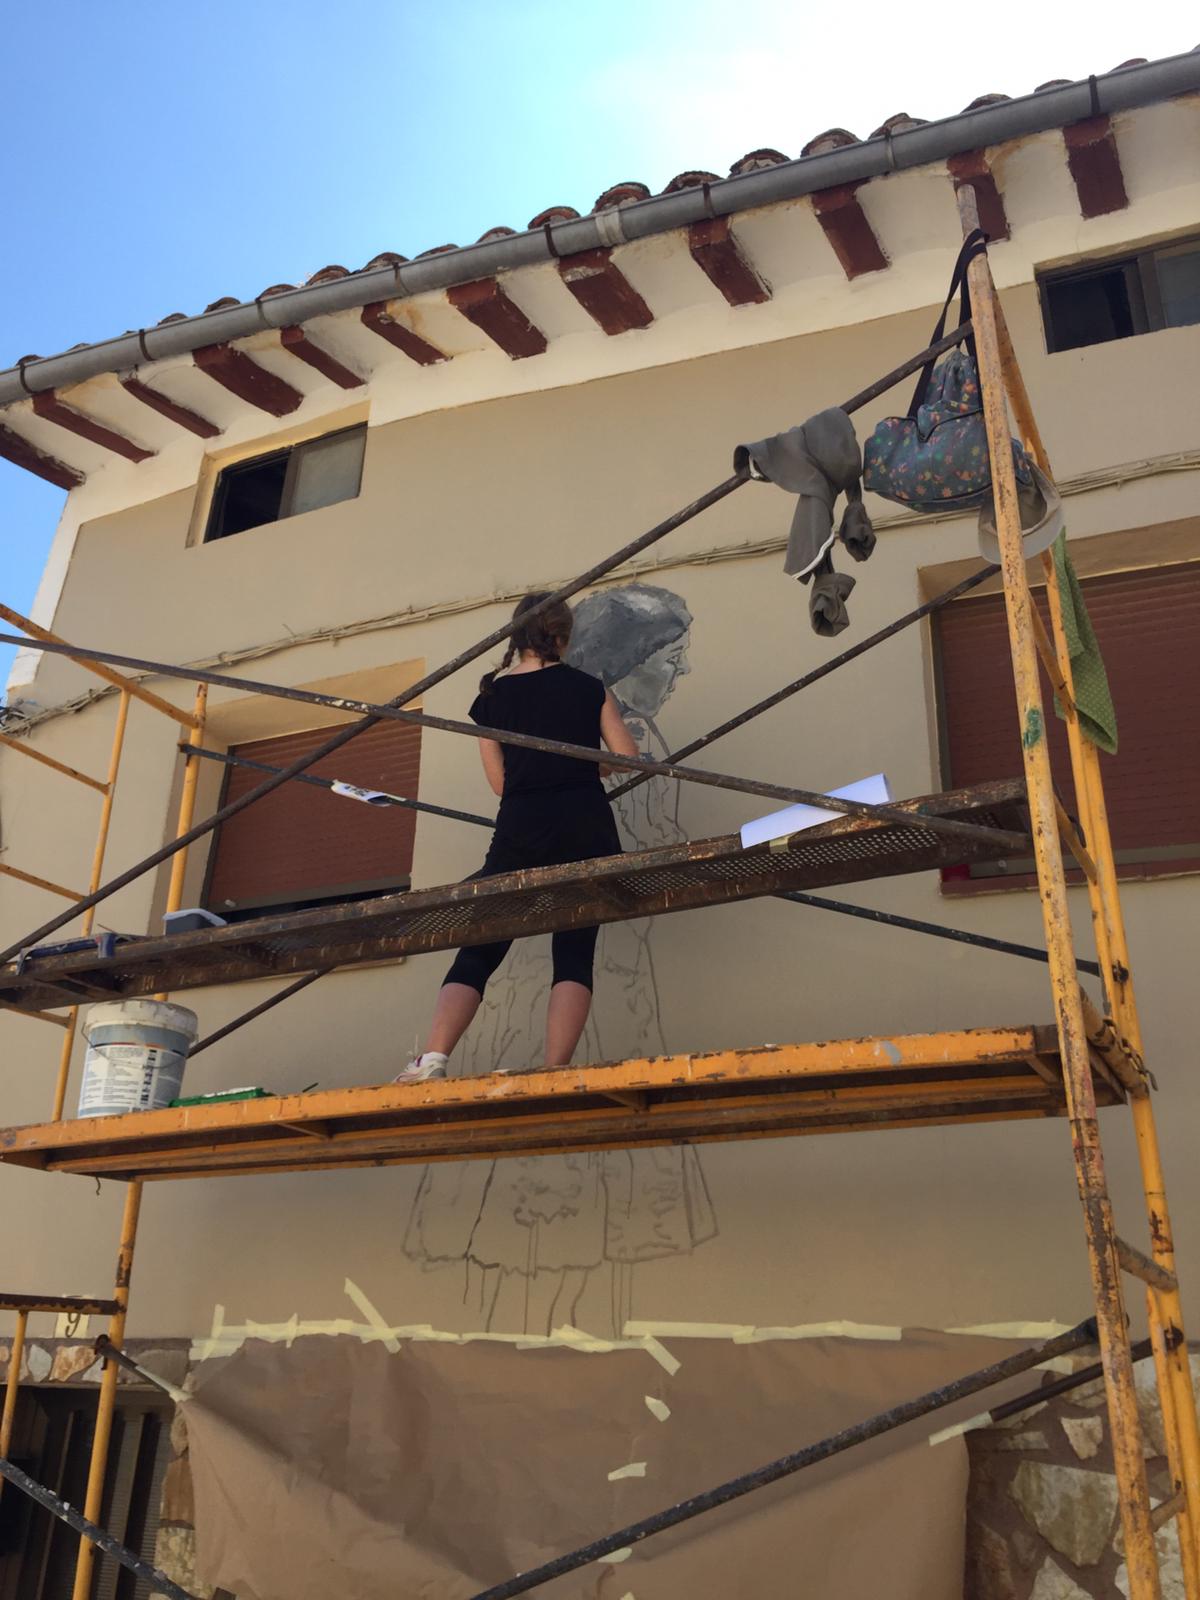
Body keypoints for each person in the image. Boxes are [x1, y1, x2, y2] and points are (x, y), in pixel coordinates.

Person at [395, 591, 638, 1082]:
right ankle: (554, 1069)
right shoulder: (592, 689)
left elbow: (500, 784)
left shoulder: (493, 698)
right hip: (584, 824)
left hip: (521, 828)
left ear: (518, 637)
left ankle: (434, 1059)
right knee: (574, 948)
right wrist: (592, 764)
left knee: (481, 946)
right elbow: (627, 757)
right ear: (564, 638)